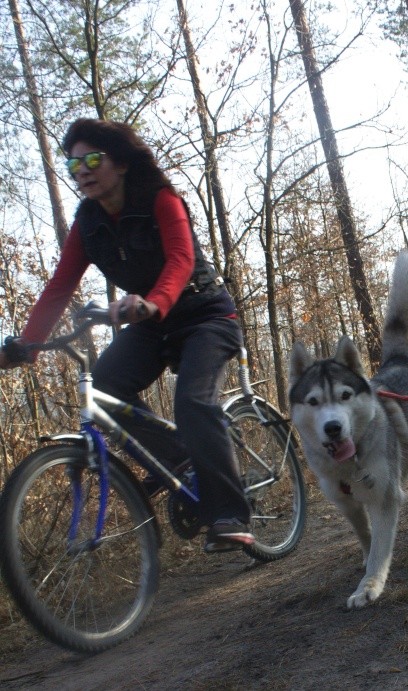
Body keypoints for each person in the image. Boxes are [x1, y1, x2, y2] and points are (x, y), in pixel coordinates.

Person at [0, 119, 254, 552]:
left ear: (119, 163)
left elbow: (180, 259)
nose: (82, 170)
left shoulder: (160, 199)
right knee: (103, 390)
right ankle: (181, 459)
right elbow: (60, 285)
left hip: (206, 313)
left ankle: (231, 512)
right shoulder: (87, 223)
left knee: (193, 401)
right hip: (151, 323)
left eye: (92, 159)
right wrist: (27, 344)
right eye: (74, 163)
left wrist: (153, 301)